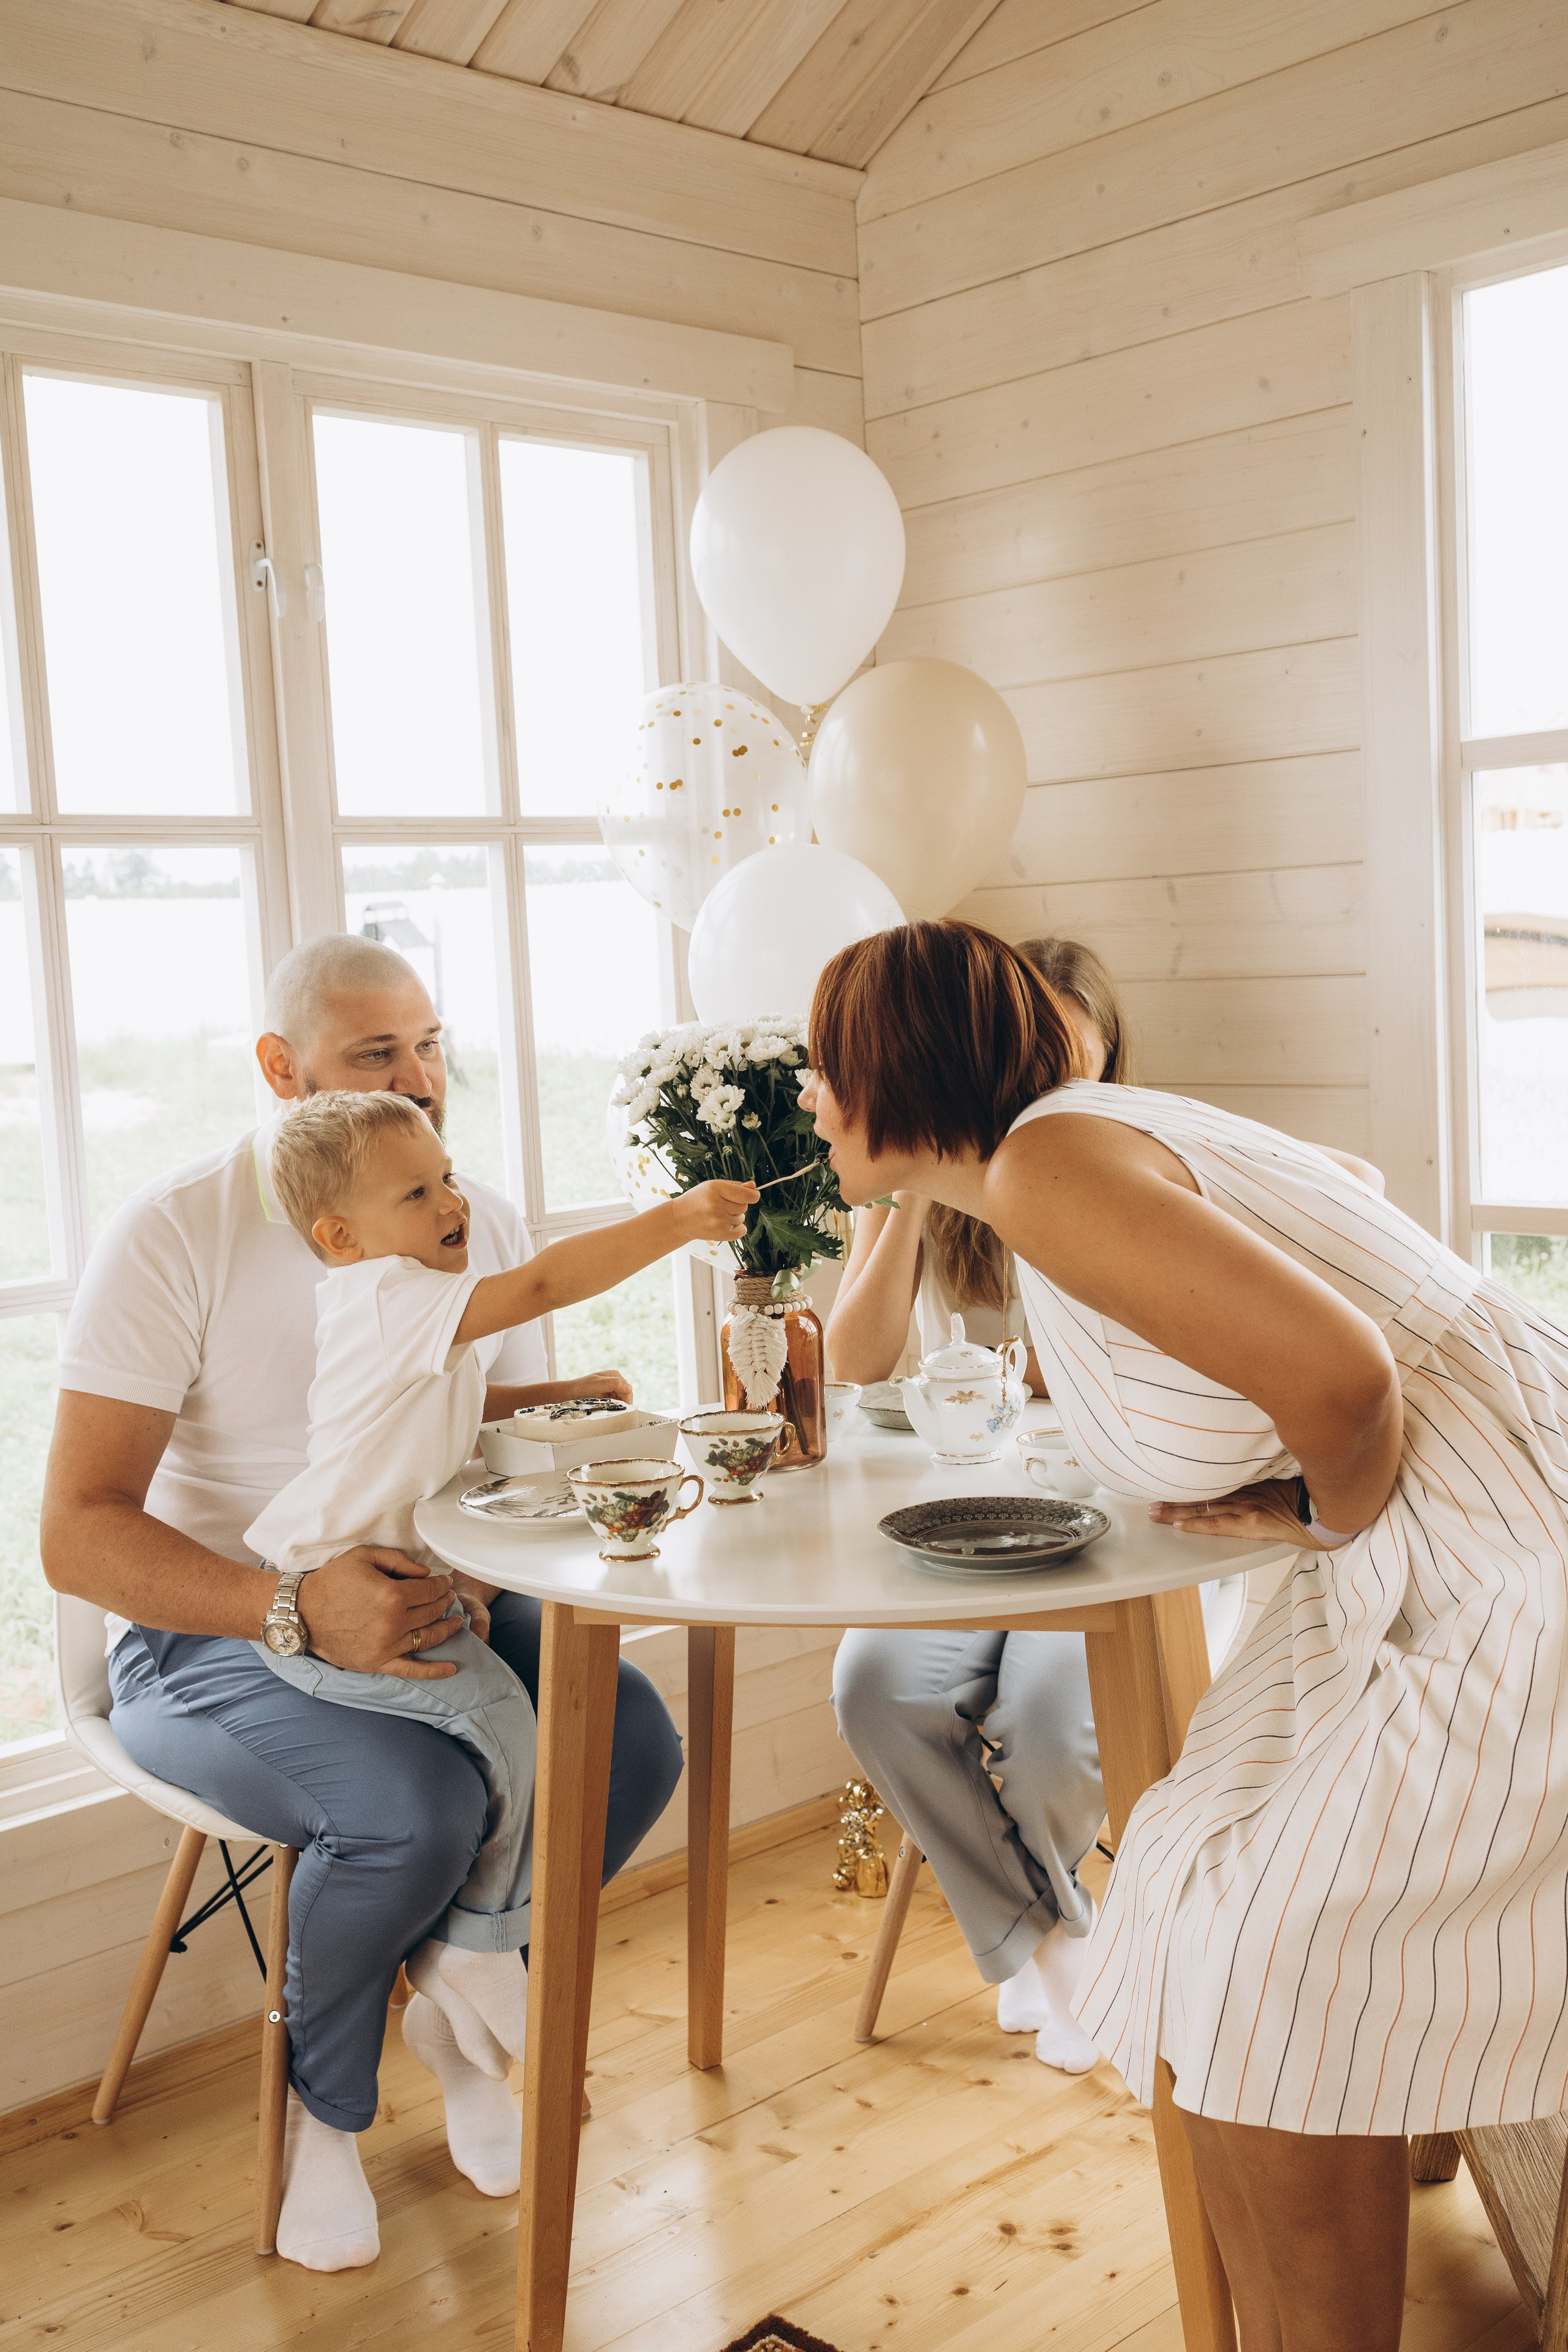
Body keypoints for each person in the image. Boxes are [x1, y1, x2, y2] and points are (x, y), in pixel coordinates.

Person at [803, 918, 1568, 2352]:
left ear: (889, 1063)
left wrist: (1330, 1512)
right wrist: (1299, 1487)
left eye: (817, 1066)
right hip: (1429, 1530)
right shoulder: (1060, 1156)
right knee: (1178, 1879)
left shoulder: (1048, 1162)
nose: (806, 1097)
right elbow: (1335, 1213)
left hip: (1510, 1546)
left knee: (1271, 1948)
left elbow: (1344, 1377)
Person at [40, 934, 689, 2274]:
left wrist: (559, 1414)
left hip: (418, 1589)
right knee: (416, 1807)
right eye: (377, 1053)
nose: (425, 1079)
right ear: (281, 1071)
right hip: (205, 1628)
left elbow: (445, 1425)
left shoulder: (463, 1214)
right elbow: (76, 1534)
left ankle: (452, 2001)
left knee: (627, 1738)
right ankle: (327, 2116)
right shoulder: (176, 1229)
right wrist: (292, 1607)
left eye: (432, 1043)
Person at [246, 1089, 752, 2075]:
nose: (452, 1202)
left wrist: (558, 1394)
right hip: (340, 1592)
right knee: (517, 1732)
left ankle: (469, 1950)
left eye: (447, 1176)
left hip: (406, 1582)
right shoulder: (392, 1293)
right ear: (343, 1235)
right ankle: (470, 1950)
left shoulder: (394, 1306)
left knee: (528, 1736)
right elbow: (546, 1283)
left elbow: (453, 1404)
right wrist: (679, 1218)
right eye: (417, 1192)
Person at [827, 940, 1131, 2073]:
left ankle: (1033, 1934)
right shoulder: (942, 1175)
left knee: (1046, 1728)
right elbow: (858, 1362)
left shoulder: (1118, 1163)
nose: (1036, 1078)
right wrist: (908, 1188)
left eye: (1065, 1051)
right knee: (872, 1683)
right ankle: (1054, 1943)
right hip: (975, 1522)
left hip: (1118, 1534)